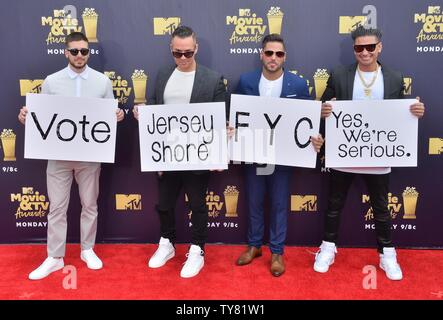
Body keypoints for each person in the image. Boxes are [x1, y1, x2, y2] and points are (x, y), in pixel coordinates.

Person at [314, 26, 425, 280]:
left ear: (379, 48)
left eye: (370, 47)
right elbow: (323, 106)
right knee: (334, 205)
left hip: (379, 155)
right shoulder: (340, 75)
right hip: (344, 154)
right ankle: (328, 248)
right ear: (354, 50)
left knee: (382, 208)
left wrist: (415, 112)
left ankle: (387, 254)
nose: (365, 52)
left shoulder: (395, 78)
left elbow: (401, 115)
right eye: (359, 48)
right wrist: (323, 112)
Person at [18, 32, 125, 280]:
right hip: (58, 156)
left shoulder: (102, 82)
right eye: (74, 51)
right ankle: (55, 257)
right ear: (66, 52)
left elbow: (109, 115)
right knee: (56, 207)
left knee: (90, 204)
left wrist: (117, 116)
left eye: (84, 51)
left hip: (90, 156)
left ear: (89, 53)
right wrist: (27, 117)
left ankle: (88, 249)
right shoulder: (51, 81)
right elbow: (41, 117)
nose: (79, 56)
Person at [133, 26, 227, 278]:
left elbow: (220, 118)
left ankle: (197, 249)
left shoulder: (213, 78)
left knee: (197, 204)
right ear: (171, 50)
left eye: (188, 53)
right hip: (166, 154)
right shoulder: (163, 74)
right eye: (177, 53)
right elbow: (154, 106)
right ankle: (167, 243)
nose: (183, 58)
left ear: (196, 48)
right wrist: (142, 112)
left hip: (198, 156)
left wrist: (219, 152)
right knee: (163, 204)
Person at [234, 34, 324, 277]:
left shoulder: (298, 84)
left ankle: (276, 251)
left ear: (285, 57)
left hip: (283, 156)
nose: (274, 58)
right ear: (261, 54)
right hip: (253, 153)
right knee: (253, 201)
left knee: (278, 204)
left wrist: (315, 138)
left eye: (279, 54)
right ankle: (254, 246)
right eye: (269, 52)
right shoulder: (245, 81)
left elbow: (306, 123)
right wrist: (232, 129)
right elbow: (237, 115)